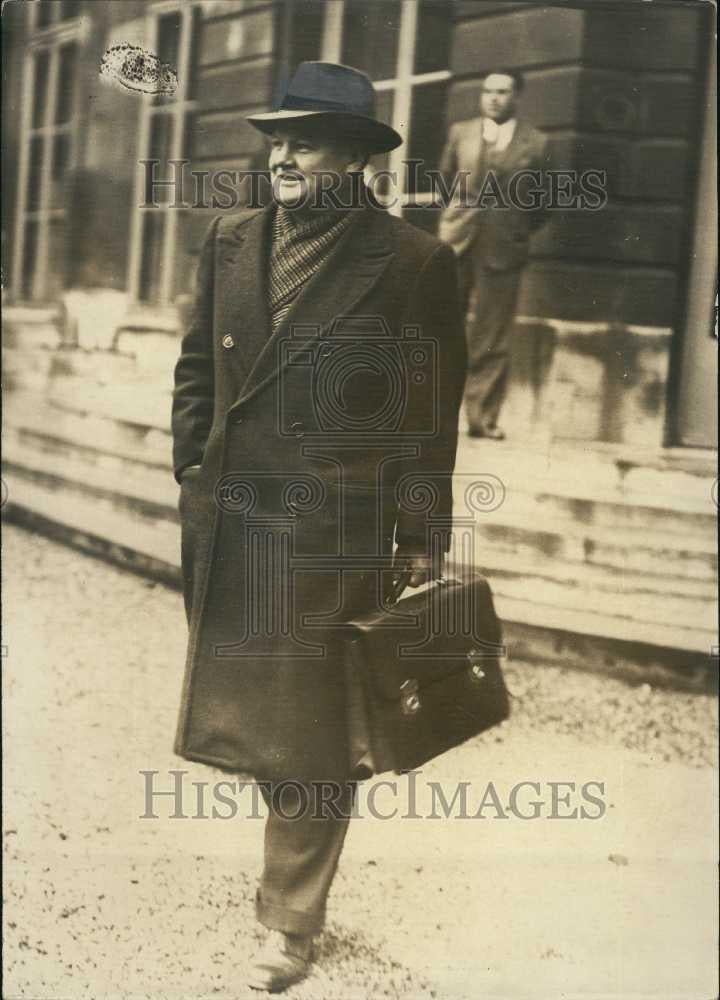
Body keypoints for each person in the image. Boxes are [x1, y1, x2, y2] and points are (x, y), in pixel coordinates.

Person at [171, 61, 466, 992]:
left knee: (313, 732)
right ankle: (290, 870)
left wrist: (419, 539)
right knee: (261, 719)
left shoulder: (416, 262)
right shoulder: (228, 240)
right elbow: (193, 370)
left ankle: (290, 921)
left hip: (332, 529)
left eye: (303, 140)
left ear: (354, 158)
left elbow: (429, 417)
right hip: (228, 521)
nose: (282, 155)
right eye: (276, 141)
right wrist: (191, 463)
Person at [439, 69, 549, 439]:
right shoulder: (461, 133)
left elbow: (543, 203)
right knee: (442, 328)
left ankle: (481, 418)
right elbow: (445, 181)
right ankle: (433, 414)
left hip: (504, 245)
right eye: (488, 91)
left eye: (503, 92)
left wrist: (515, 227)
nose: (494, 98)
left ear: (517, 96)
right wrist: (456, 219)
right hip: (457, 241)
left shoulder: (536, 142)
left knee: (493, 335)